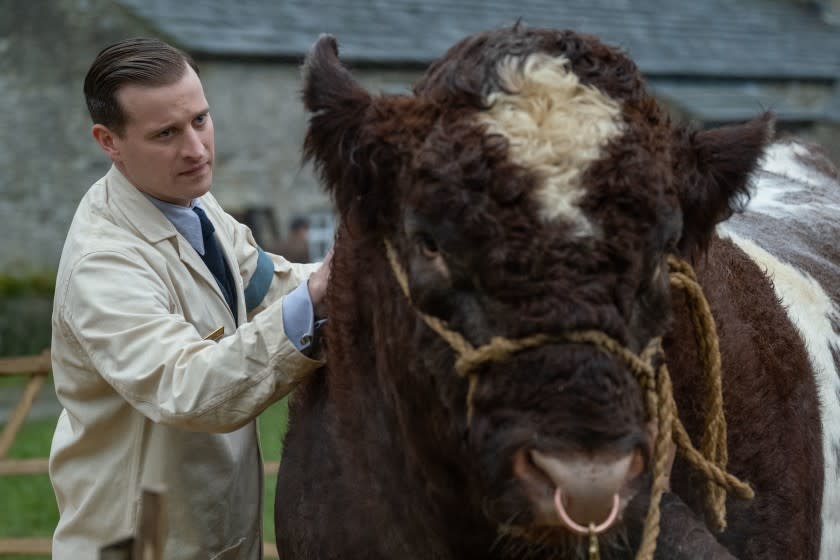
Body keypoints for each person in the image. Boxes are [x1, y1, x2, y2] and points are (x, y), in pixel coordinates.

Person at [48, 37, 332, 559]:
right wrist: (317, 304)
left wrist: (372, 272)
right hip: (141, 546)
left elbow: (268, 286)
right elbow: (189, 388)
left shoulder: (193, 205)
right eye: (166, 134)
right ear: (108, 141)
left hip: (212, 536)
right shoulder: (104, 264)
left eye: (200, 120)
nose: (196, 149)